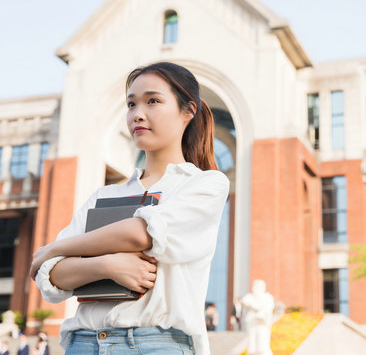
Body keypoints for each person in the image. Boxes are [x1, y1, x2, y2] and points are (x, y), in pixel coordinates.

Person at [30, 62, 229, 355]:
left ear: (188, 111)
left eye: (153, 101)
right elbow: (50, 276)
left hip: (156, 344)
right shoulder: (105, 195)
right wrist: (106, 265)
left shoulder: (205, 184)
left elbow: (142, 233)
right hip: (84, 342)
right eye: (131, 104)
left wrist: (54, 249)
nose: (138, 114)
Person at [241, 280, 275, 355]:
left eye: (257, 287)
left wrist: (258, 312)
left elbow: (268, 309)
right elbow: (244, 301)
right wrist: (256, 308)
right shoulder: (251, 297)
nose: (254, 289)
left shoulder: (267, 297)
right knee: (252, 346)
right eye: (254, 287)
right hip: (253, 325)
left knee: (262, 345)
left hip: (262, 325)